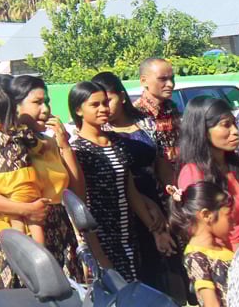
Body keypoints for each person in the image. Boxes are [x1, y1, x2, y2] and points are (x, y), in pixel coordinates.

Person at [0, 75, 85, 290]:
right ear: (14, 107)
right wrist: (25, 210)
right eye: (37, 102)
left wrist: (64, 146)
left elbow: (77, 191)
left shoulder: (47, 144)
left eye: (46, 102)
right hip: (13, 237)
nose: (45, 109)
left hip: (58, 234)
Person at [68, 81, 174, 283]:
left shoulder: (117, 142)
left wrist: (155, 231)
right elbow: (79, 204)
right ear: (78, 110)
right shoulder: (77, 150)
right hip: (101, 237)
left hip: (128, 234)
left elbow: (130, 190)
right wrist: (96, 253)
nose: (103, 109)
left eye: (105, 103)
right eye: (95, 105)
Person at [0, 88, 44, 245]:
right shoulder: (21, 130)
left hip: (0, 181)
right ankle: (40, 250)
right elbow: (37, 147)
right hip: (24, 179)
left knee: (15, 217)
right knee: (35, 221)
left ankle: (21, 249)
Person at [179, 96, 239, 250]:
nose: (236, 131)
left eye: (234, 123)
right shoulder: (193, 174)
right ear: (203, 131)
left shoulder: (236, 165)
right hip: (230, 258)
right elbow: (200, 232)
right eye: (226, 125)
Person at [171, 182, 235, 307]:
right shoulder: (196, 257)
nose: (233, 220)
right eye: (228, 215)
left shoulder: (222, 249)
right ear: (206, 215)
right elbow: (211, 303)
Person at [136, 57, 182, 189]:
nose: (170, 84)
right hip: (155, 187)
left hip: (178, 179)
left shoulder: (171, 107)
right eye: (162, 79)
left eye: (172, 79)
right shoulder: (137, 114)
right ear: (144, 81)